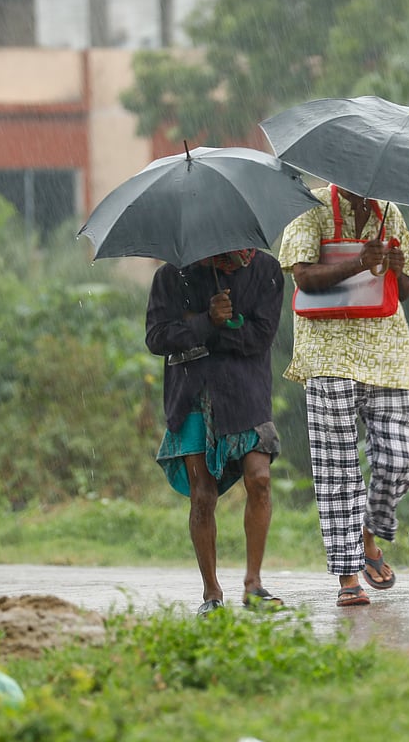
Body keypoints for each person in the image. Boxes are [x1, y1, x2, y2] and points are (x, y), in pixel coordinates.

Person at [277, 184, 409, 608]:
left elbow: (406, 290)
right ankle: (347, 576)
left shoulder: (390, 212)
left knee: (401, 456)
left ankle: (368, 536)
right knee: (337, 469)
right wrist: (359, 261)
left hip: (387, 352)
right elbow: (302, 276)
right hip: (327, 353)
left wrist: (394, 267)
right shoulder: (309, 207)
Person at [145, 248, 285, 616]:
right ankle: (212, 593)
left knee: (260, 479)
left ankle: (253, 583)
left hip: (247, 392)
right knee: (202, 497)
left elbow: (260, 336)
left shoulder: (267, 271)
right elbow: (158, 337)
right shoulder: (173, 275)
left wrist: (207, 331)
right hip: (191, 394)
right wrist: (206, 320)